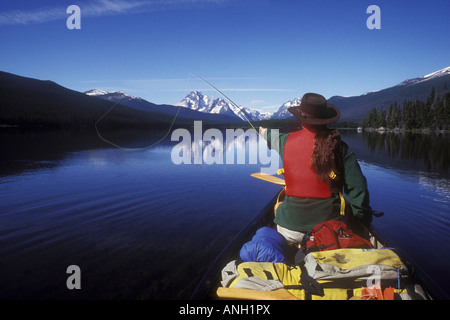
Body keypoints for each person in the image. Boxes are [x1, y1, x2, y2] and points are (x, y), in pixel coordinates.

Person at [260, 93, 372, 244]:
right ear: (325, 119)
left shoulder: (285, 141)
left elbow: (270, 136)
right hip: (331, 231)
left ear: (301, 118)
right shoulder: (340, 147)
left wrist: (262, 131)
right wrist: (361, 220)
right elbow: (358, 189)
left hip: (290, 231)